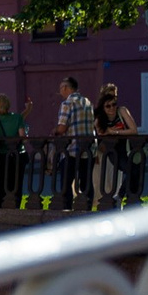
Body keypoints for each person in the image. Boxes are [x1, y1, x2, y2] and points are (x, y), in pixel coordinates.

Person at [55, 76, 96, 210]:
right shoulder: (87, 102)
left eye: (61, 88)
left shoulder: (67, 103)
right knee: (86, 182)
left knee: (66, 183)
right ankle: (87, 208)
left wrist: (54, 131)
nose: (60, 91)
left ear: (66, 88)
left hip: (71, 149)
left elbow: (62, 128)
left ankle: (66, 209)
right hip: (88, 148)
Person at [0, 95, 29, 211]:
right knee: (16, 186)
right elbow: (23, 138)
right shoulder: (17, 118)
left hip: (0, 157)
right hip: (16, 156)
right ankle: (16, 208)